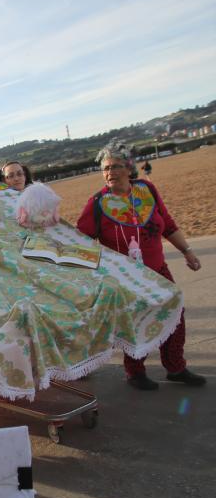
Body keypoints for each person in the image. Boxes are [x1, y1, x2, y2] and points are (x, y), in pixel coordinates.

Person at [76, 139, 205, 390]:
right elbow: (81, 239)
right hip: (127, 279)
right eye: (105, 168)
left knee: (175, 315)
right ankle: (135, 372)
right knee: (135, 324)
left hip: (159, 271)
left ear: (129, 168)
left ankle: (176, 367)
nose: (110, 172)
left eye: (115, 166)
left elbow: (167, 224)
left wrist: (187, 251)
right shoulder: (97, 203)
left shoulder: (147, 190)